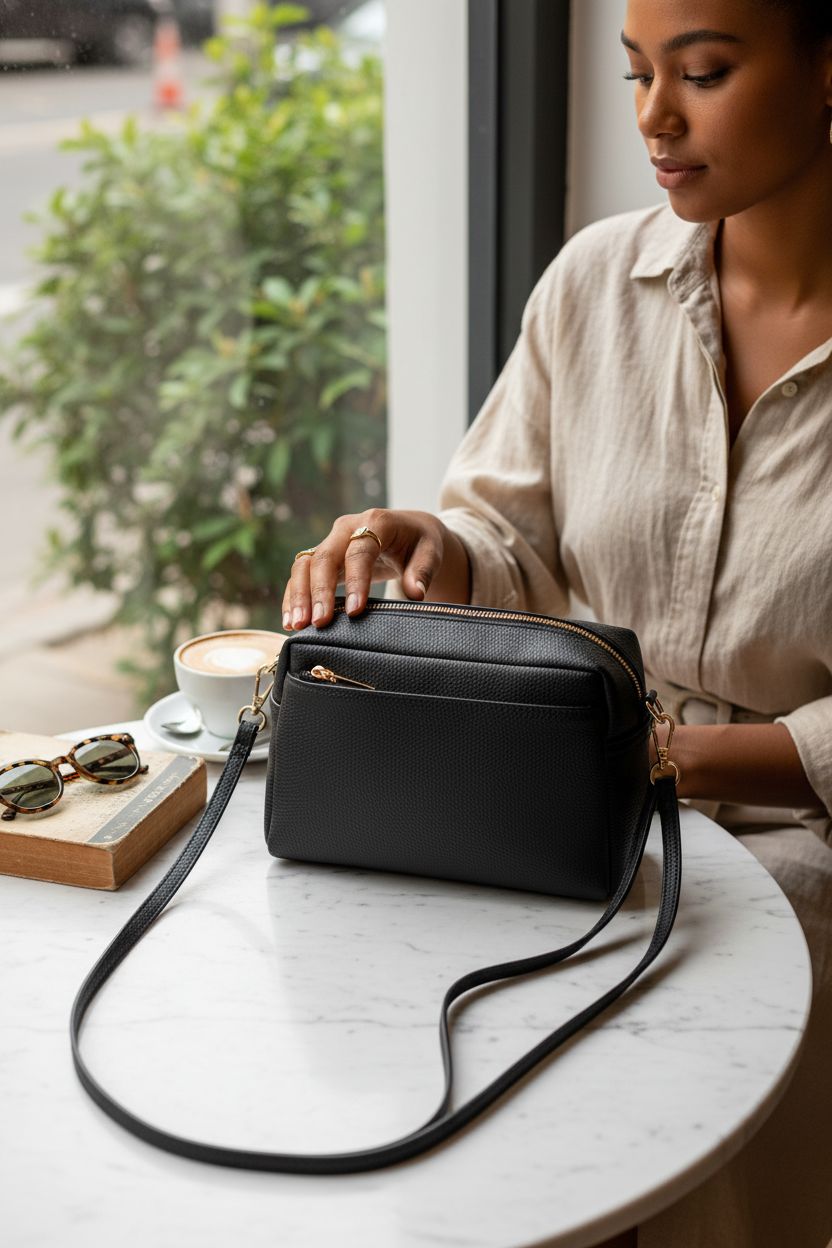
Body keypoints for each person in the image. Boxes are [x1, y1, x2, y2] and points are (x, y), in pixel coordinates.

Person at [281, 1, 832, 1243]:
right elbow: (508, 542)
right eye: (636, 72)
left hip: (803, 843)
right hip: (575, 814)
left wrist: (672, 761)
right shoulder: (596, 282)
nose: (654, 115)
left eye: (702, 71)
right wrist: (444, 550)